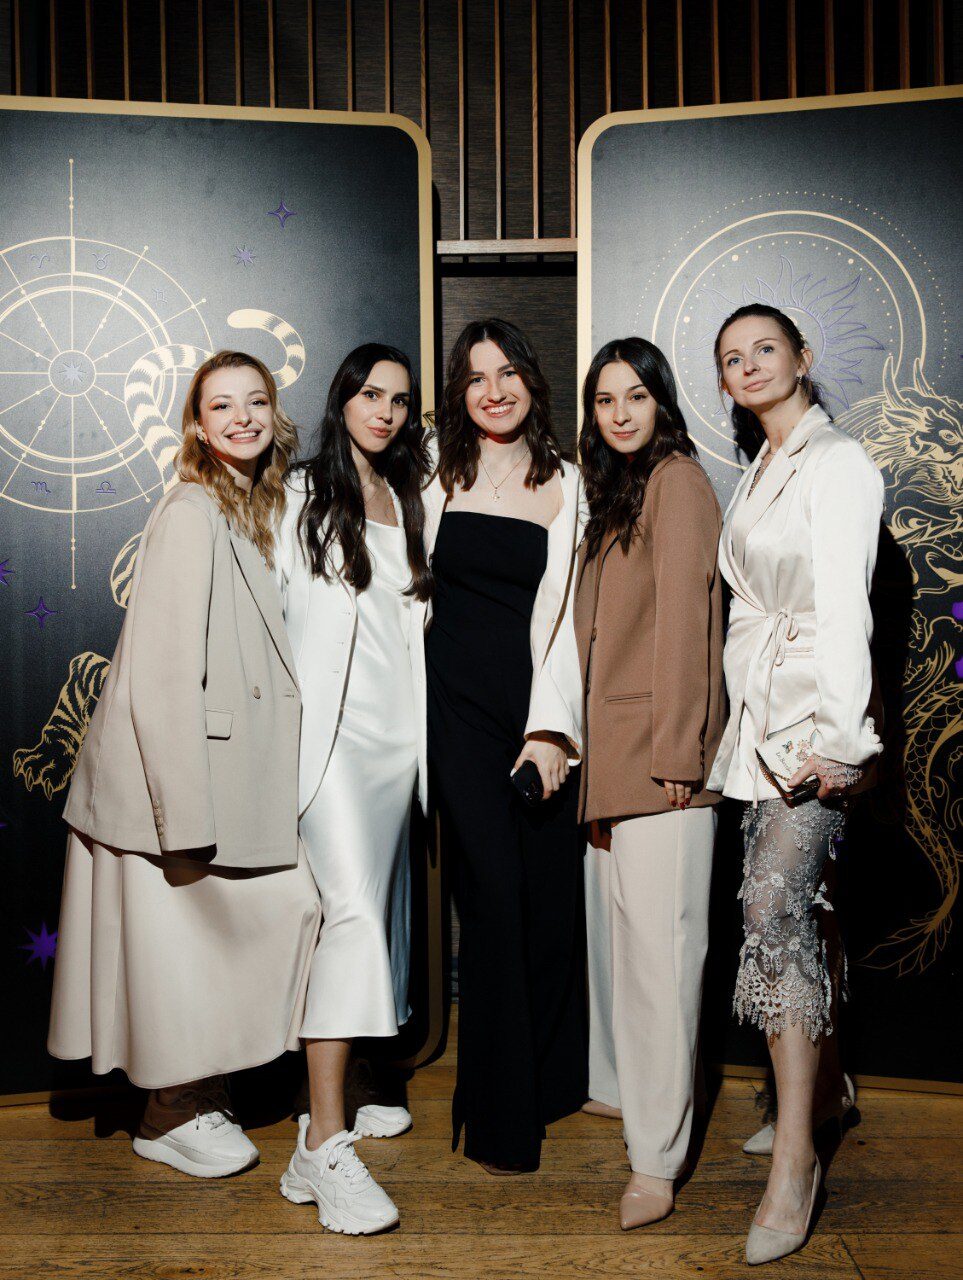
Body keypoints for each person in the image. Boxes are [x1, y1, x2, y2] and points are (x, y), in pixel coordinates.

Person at [48, 351, 322, 1177]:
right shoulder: (191, 510)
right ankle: (169, 1113)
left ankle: (192, 1096)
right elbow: (160, 677)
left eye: (256, 402)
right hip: (175, 786)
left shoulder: (246, 508)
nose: (242, 418)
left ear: (274, 415)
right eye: (221, 406)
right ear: (197, 426)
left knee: (217, 942)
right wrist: (184, 819)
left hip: (223, 779)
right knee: (181, 950)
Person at [707, 303, 883, 1265]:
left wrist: (843, 742)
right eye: (731, 358)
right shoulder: (758, 470)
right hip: (758, 725)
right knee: (803, 914)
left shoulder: (838, 462)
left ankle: (796, 1162)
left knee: (771, 912)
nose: (748, 366)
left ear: (803, 357)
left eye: (764, 349)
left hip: (815, 725)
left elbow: (846, 606)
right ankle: (821, 1096)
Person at [424, 317, 587, 1174]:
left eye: (507, 373)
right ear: (458, 392)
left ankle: (550, 1083)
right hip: (454, 716)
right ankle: (497, 1117)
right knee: (491, 897)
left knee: (548, 905)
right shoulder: (430, 471)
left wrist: (550, 728)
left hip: (535, 719)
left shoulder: (569, 482)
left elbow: (574, 622)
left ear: (532, 379)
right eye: (475, 377)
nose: (493, 391)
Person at [275, 344, 431, 1234]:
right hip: (327, 742)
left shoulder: (411, 495)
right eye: (371, 395)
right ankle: (324, 1140)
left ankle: (326, 1119)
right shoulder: (299, 492)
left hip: (395, 744)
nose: (385, 411)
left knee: (375, 919)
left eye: (400, 401)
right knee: (351, 919)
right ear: (342, 401)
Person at [574, 337, 725, 1229]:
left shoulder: (677, 482)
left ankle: (657, 1164)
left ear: (661, 401)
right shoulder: (619, 492)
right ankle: (644, 1113)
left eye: (635, 395)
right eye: (604, 400)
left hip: (662, 764)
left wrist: (676, 755)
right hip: (619, 764)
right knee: (634, 959)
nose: (619, 413)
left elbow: (686, 620)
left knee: (663, 964)